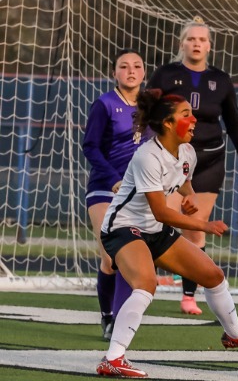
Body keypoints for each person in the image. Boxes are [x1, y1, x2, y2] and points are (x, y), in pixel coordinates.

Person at [96, 89, 238, 378]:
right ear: (167, 123)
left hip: (154, 230)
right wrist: (204, 225)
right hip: (123, 228)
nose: (194, 120)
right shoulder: (147, 156)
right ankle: (112, 358)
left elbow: (182, 180)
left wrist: (188, 196)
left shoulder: (187, 151)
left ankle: (234, 334)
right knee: (146, 284)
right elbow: (161, 212)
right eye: (186, 115)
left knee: (213, 276)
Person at [147, 16, 238, 315]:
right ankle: (144, 280)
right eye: (191, 39)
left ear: (209, 46)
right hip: (171, 161)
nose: (196, 44)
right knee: (160, 220)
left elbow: (234, 123)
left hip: (209, 160)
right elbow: (146, 113)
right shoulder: (165, 75)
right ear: (182, 43)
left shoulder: (220, 80)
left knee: (196, 228)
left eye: (202, 40)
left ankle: (188, 295)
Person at [83, 49, 147, 340]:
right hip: (104, 189)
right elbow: (90, 146)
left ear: (144, 72)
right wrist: (113, 180)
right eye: (124, 66)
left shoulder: (151, 106)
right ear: (114, 72)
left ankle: (120, 322)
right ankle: (107, 316)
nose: (131, 71)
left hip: (139, 192)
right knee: (110, 258)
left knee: (130, 259)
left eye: (136, 66)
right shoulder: (105, 104)